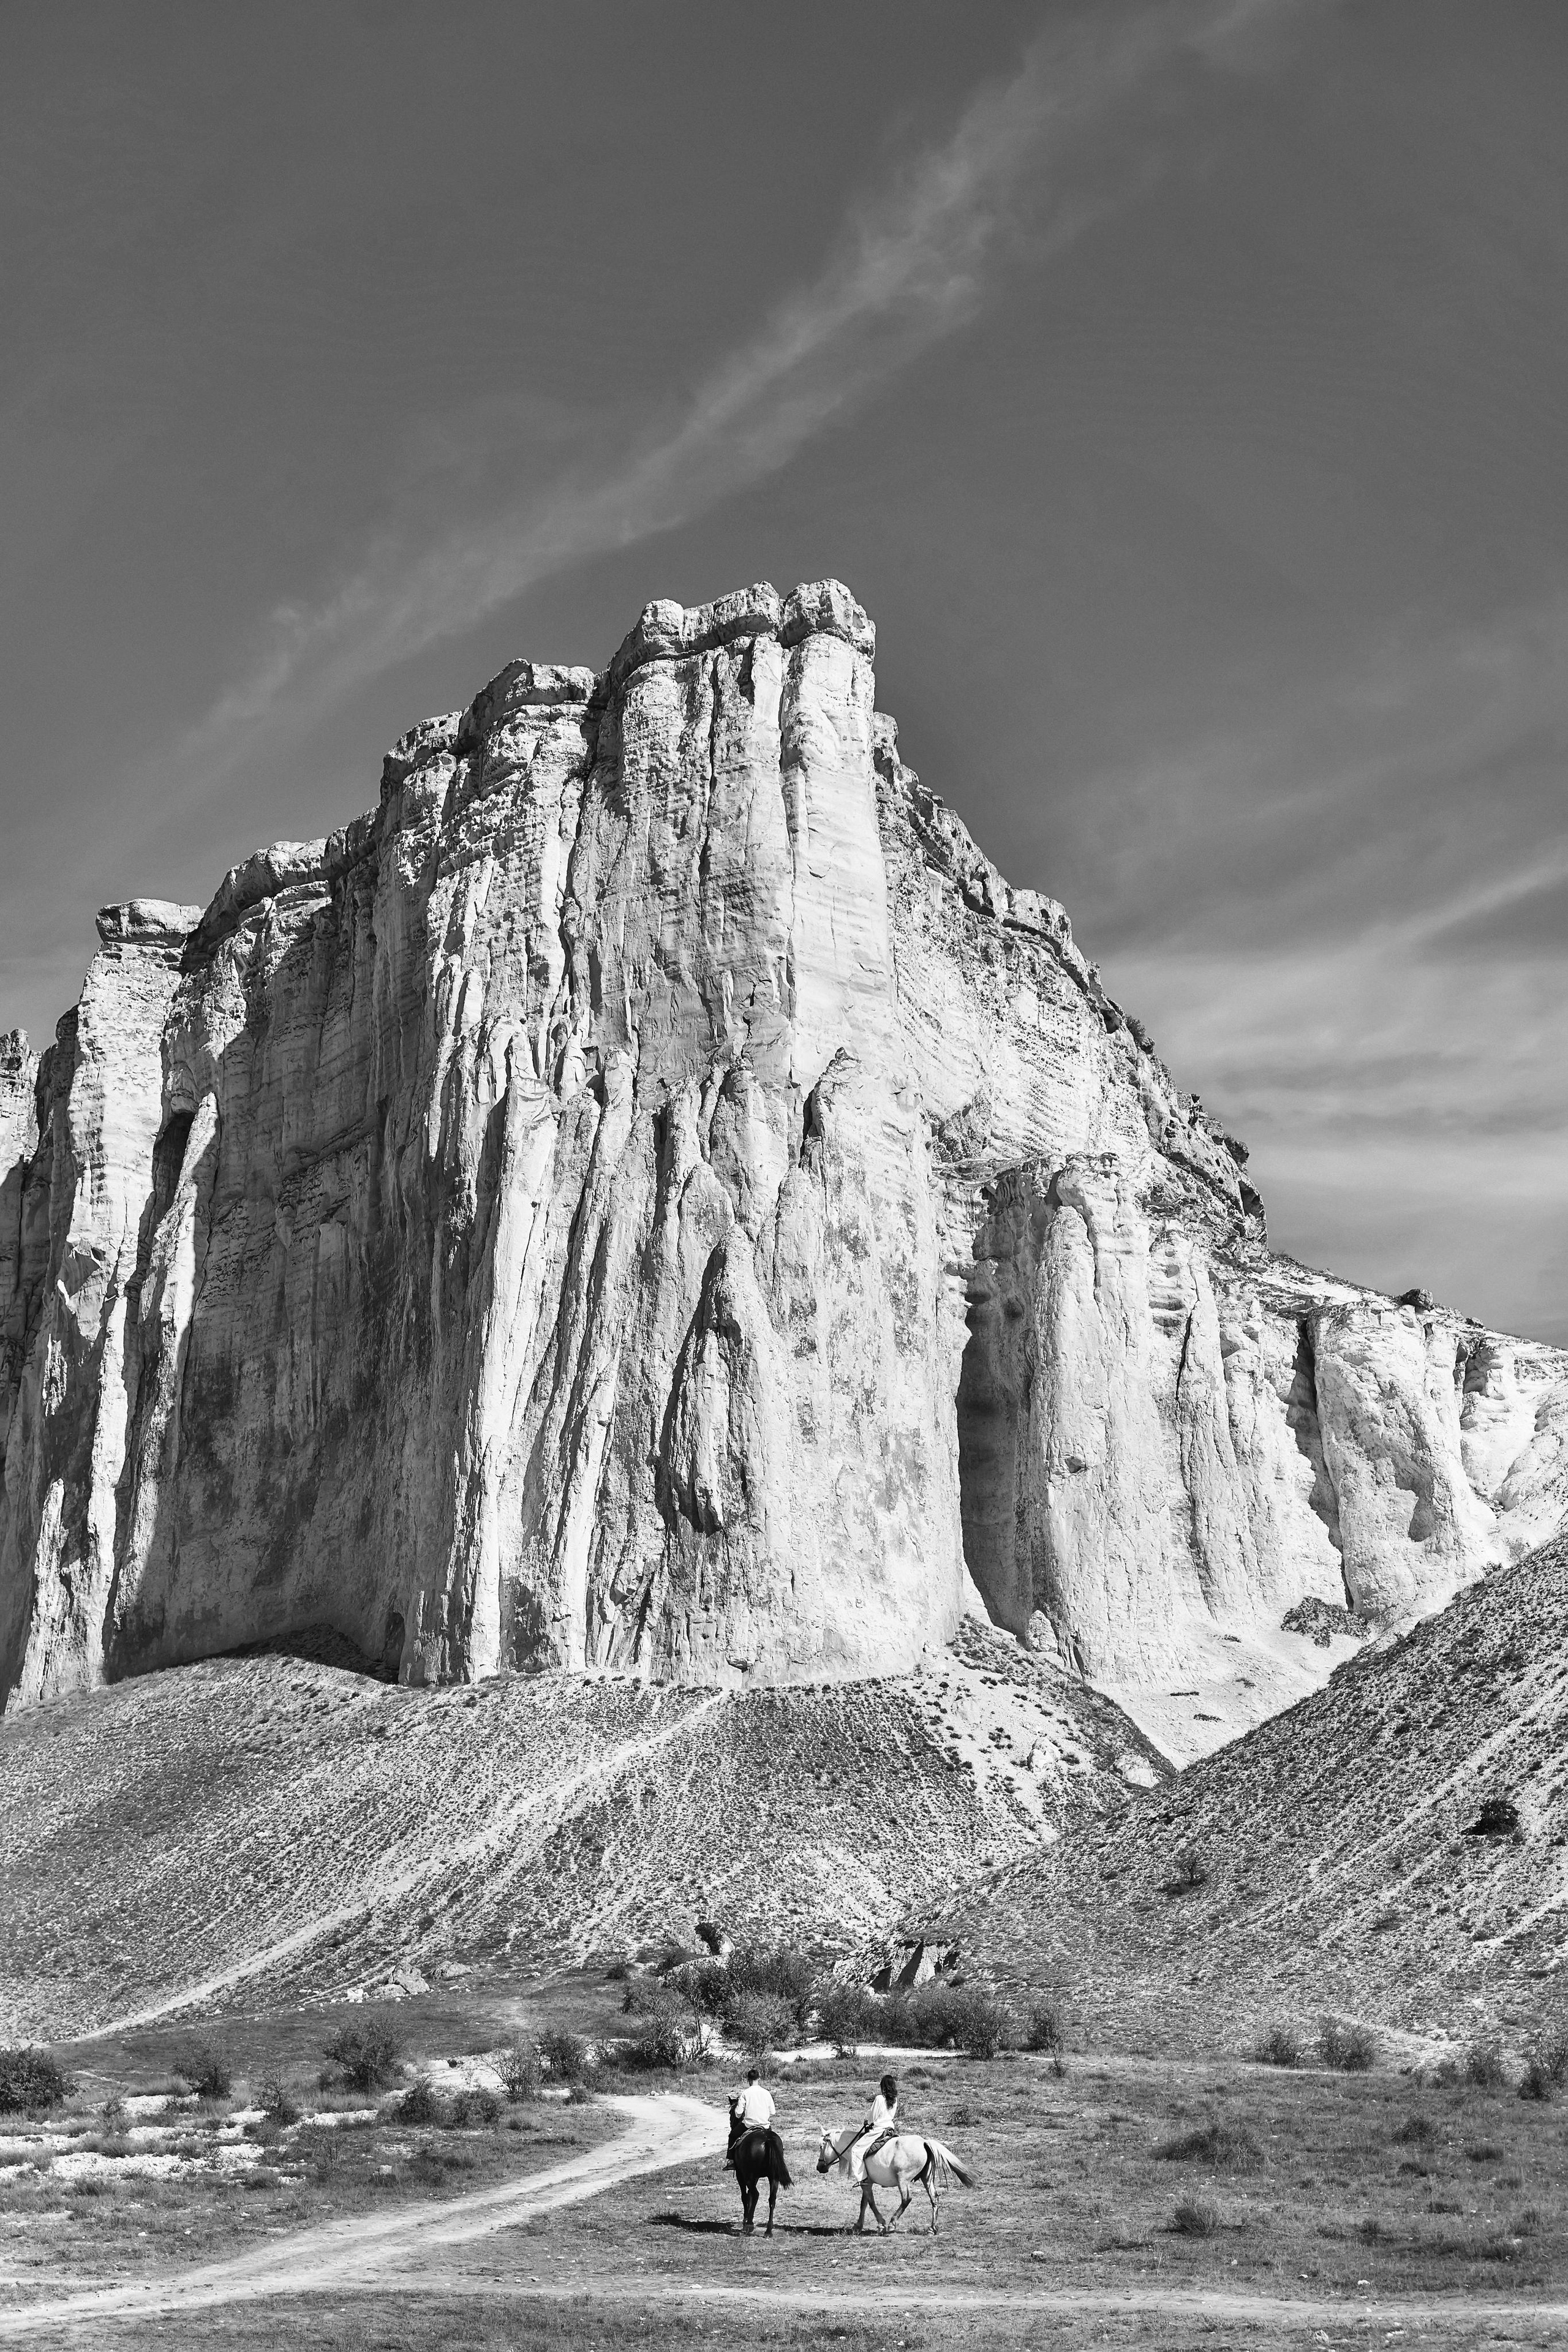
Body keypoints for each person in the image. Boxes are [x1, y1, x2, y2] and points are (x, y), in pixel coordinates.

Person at [848, 2072, 899, 2184]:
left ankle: (862, 2179)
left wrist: (868, 2121)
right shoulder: (895, 2100)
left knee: (856, 2150)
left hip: (879, 2129)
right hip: (890, 2128)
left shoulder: (880, 2098)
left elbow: (873, 2116)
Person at [725, 2067, 776, 2168]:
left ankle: (731, 2161)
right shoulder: (766, 2093)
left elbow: (738, 2114)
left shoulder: (745, 2093)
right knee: (775, 2141)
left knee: (732, 2135)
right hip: (765, 2126)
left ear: (748, 2080)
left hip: (749, 2125)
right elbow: (773, 2112)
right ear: (759, 2079)